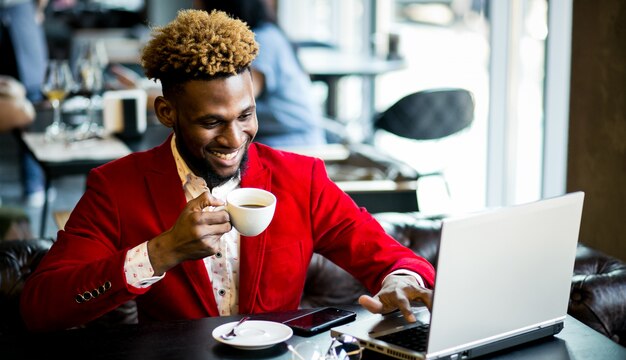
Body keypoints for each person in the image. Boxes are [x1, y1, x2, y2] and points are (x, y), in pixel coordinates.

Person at [19, 9, 434, 332]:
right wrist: (161, 252)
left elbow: (393, 258)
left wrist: (399, 279)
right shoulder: (116, 187)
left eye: (246, 115)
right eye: (212, 122)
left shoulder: (300, 178)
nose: (235, 139)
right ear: (168, 112)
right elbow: (41, 307)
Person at [194, 0, 327, 148]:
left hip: (291, 144)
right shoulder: (267, 34)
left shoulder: (263, 40)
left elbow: (237, 97)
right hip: (275, 139)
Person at [0, 0, 49, 207]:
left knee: (33, 94)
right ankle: (35, 186)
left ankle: (34, 184)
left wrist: (37, 9)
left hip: (22, 9)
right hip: (22, 9)